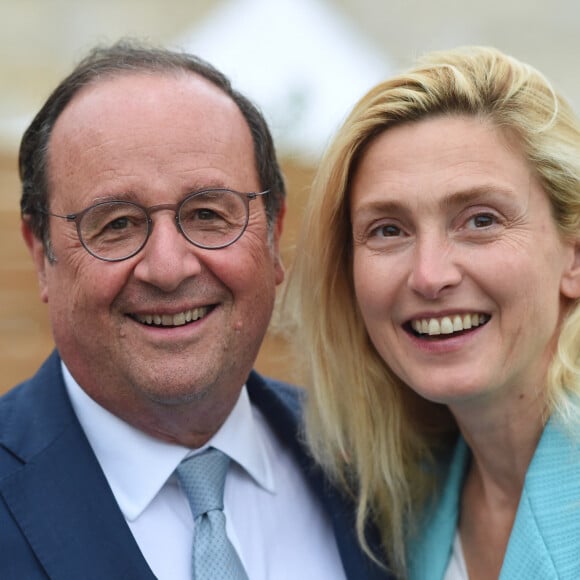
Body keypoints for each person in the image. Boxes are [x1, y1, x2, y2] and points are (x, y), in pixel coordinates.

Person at [0, 40, 389, 580]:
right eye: (117, 224)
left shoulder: (381, 470)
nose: (168, 268)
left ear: (274, 237)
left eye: (208, 214)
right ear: (43, 255)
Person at [284, 45, 580, 579]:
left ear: (573, 255)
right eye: (388, 230)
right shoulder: (402, 510)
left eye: (480, 220)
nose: (429, 275)